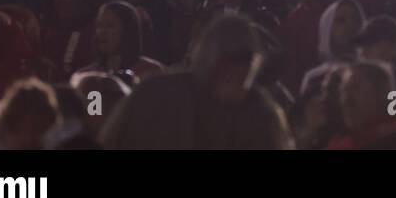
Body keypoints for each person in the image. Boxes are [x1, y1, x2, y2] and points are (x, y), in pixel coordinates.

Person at [100, 14, 294, 149]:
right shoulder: (153, 96)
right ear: (208, 57)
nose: (234, 70)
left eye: (244, 60)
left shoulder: (261, 113)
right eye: (228, 59)